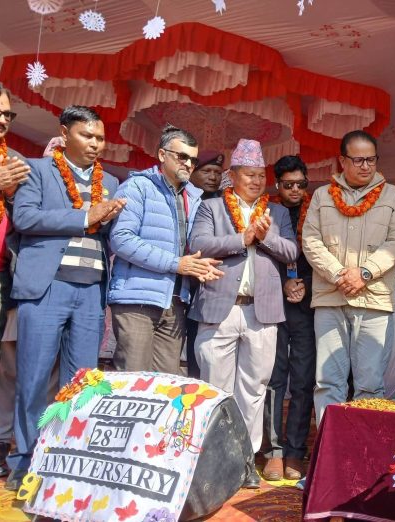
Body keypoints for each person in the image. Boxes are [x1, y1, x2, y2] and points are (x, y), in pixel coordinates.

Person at [6, 105, 125, 489]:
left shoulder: (111, 183)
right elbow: (25, 218)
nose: (95, 144)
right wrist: (85, 216)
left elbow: (109, 234)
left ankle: (68, 460)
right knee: (34, 379)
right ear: (64, 133)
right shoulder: (37, 170)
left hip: (91, 292)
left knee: (82, 384)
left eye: (100, 138)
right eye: (87, 135)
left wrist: (110, 218)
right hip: (47, 287)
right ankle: (24, 463)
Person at [189, 139, 297, 488]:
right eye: (249, 174)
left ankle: (244, 460)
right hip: (219, 308)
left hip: (261, 312)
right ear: (232, 176)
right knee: (215, 388)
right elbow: (198, 244)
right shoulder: (211, 207)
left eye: (260, 175)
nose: (256, 181)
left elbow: (291, 251)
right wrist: (242, 237)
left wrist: (264, 237)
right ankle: (211, 461)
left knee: (254, 389)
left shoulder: (277, 213)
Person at [303, 130, 395, 424]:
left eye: (371, 160)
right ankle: (329, 445)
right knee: (327, 382)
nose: (366, 166)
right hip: (330, 298)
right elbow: (311, 241)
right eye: (358, 160)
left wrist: (364, 273)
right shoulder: (322, 196)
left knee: (370, 385)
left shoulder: (394, 196)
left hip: (374, 299)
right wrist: (339, 274)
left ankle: (364, 447)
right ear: (342, 161)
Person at [108, 125, 222, 375]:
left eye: (193, 160)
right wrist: (177, 264)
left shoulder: (193, 196)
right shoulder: (138, 186)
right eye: (182, 157)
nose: (188, 164)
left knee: (165, 384)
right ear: (162, 154)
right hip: (137, 300)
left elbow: (191, 248)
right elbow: (121, 239)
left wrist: (200, 265)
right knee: (133, 381)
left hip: (175, 302)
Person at [262, 155, 314, 481]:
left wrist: (305, 284)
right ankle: (274, 451)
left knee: (304, 380)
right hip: (274, 303)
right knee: (274, 379)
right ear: (277, 185)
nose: (295, 190)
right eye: (288, 185)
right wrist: (283, 282)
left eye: (300, 184)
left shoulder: (320, 209)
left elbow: (326, 254)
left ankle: (295, 450)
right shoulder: (266, 213)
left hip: (309, 305)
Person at [0, 85, 31, 478]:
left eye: (8, 114)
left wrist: (11, 193)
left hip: (5, 274)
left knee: (6, 364)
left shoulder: (12, 161)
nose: (3, 119)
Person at [185, 150, 224, 378]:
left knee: (207, 350)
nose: (213, 177)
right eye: (207, 171)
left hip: (211, 284)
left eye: (217, 172)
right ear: (192, 172)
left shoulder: (225, 202)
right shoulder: (183, 197)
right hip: (182, 280)